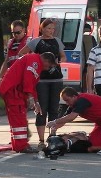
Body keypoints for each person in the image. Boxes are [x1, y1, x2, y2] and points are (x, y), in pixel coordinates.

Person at [17, 18, 67, 150]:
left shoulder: (57, 41)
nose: (50, 31)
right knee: (41, 109)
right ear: (42, 28)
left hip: (56, 79)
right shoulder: (36, 41)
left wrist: (59, 61)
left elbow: (63, 56)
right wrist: (33, 63)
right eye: (48, 28)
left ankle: (53, 137)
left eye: (52, 29)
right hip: (41, 80)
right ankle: (41, 140)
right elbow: (21, 53)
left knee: (54, 109)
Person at [0, 51, 56, 153]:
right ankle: (21, 146)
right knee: (19, 118)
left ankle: (18, 144)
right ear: (46, 60)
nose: (48, 68)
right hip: (13, 92)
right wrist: (30, 98)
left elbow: (32, 85)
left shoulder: (33, 60)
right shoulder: (35, 63)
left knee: (18, 119)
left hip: (13, 91)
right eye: (49, 65)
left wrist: (36, 101)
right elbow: (28, 80)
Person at [46, 87, 101, 155]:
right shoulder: (73, 104)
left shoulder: (82, 100)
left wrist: (54, 121)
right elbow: (65, 120)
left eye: (67, 100)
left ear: (74, 96)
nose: (67, 103)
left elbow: (71, 117)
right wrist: (54, 129)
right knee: (93, 141)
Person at [0, 20, 28, 85]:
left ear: (24, 30)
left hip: (25, 76)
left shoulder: (29, 41)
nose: (16, 35)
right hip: (13, 75)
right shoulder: (10, 43)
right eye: (13, 33)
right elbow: (6, 61)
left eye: (18, 32)